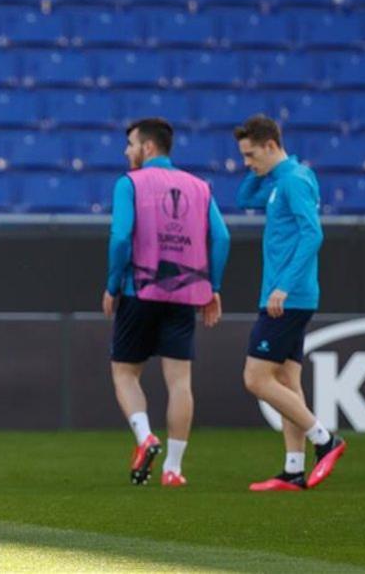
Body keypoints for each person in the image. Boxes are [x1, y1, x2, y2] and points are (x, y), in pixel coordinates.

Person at [103, 118, 230, 487]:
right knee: (180, 382)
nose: (127, 151)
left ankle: (145, 438)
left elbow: (121, 237)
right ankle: (173, 469)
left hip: (139, 290)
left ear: (147, 147)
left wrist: (113, 285)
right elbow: (221, 238)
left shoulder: (130, 183)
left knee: (125, 373)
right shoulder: (200, 186)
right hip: (186, 295)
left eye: (130, 144)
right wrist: (213, 287)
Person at [234, 115, 345, 491]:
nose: (247, 162)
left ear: (270, 145)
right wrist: (260, 170)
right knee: (286, 381)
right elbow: (243, 198)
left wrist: (283, 286)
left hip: (286, 296)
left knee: (255, 378)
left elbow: (313, 235)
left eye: (251, 154)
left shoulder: (293, 180)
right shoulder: (282, 178)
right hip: (289, 294)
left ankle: (325, 440)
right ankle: (294, 470)